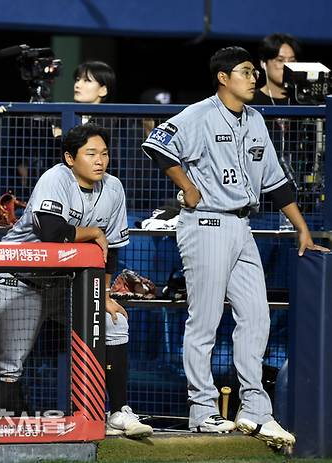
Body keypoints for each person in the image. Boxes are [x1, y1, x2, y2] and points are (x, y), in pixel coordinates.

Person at [141, 46, 328, 448]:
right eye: (245, 72)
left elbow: (276, 182)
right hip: (206, 223)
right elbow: (156, 144)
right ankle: (202, 409)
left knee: (257, 318)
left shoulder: (256, 120)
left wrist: (302, 229)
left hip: (243, 226)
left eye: (253, 72)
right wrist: (187, 186)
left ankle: (255, 410)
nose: (253, 78)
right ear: (223, 77)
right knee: (205, 322)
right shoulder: (199, 113)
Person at [0, 124, 153, 438]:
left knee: (114, 322)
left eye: (104, 153)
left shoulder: (113, 188)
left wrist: (102, 294)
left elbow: (111, 249)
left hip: (65, 284)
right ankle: (1, 437)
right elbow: (51, 233)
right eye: (91, 154)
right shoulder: (56, 179)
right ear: (70, 158)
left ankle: (117, 412)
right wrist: (92, 232)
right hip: (16, 279)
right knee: (9, 365)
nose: (100, 160)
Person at [251, 33, 301, 105]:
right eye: (280, 60)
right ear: (263, 63)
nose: (287, 66)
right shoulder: (250, 101)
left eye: (292, 61)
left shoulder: (304, 101)